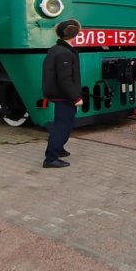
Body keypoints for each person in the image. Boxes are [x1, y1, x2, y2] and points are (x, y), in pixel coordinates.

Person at [41, 19, 83, 168]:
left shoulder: (57, 49)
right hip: (63, 96)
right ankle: (51, 158)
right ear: (74, 34)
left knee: (66, 123)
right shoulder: (64, 53)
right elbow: (65, 80)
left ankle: (58, 148)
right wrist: (76, 97)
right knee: (62, 125)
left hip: (61, 95)